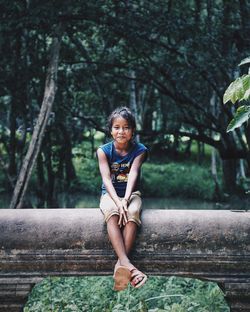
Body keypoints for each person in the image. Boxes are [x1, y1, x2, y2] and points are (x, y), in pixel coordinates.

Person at [97, 106, 148, 291]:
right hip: (109, 194)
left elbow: (133, 173)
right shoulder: (103, 151)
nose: (121, 131)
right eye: (117, 127)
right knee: (112, 212)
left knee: (133, 211)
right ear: (110, 130)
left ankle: (120, 266)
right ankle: (128, 265)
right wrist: (118, 203)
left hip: (131, 194)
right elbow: (106, 178)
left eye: (126, 127)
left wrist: (125, 200)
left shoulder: (140, 150)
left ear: (132, 131)